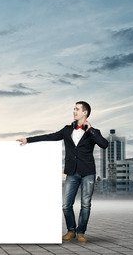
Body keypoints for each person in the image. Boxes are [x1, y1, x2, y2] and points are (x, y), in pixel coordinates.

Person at [16, 101, 108, 243]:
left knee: (85, 204)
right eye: (74, 109)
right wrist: (28, 139)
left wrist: (91, 130)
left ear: (85, 112)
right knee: (66, 204)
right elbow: (50, 136)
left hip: (88, 172)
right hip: (71, 172)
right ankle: (71, 230)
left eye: (77, 109)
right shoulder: (67, 129)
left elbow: (104, 144)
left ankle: (81, 232)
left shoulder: (93, 132)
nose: (74, 111)